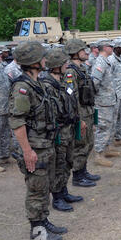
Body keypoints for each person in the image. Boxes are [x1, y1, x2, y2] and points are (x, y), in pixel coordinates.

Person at [9, 41, 66, 240]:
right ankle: (37, 232)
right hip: (35, 147)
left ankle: (43, 220)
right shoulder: (23, 87)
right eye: (42, 57)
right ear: (33, 61)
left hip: (45, 144)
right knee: (36, 190)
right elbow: (17, 121)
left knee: (44, 187)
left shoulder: (38, 82)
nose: (45, 60)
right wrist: (27, 151)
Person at [40, 48, 83, 212]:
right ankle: (57, 197)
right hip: (58, 132)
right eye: (64, 62)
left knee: (67, 161)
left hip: (69, 128)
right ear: (56, 65)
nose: (67, 64)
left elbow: (72, 101)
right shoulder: (47, 85)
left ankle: (64, 190)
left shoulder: (64, 81)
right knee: (58, 164)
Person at [64, 39, 100, 187]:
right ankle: (78, 176)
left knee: (89, 143)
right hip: (81, 114)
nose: (86, 52)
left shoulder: (82, 69)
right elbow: (71, 97)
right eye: (83, 50)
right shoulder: (70, 71)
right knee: (80, 145)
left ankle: (83, 170)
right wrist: (78, 118)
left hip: (88, 111)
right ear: (75, 53)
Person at [92, 39, 121, 167]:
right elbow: (94, 83)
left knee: (109, 126)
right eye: (111, 46)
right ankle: (98, 155)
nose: (113, 47)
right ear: (105, 47)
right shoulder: (100, 62)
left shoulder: (106, 61)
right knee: (102, 127)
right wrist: (98, 98)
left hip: (109, 100)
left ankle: (107, 148)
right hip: (102, 102)